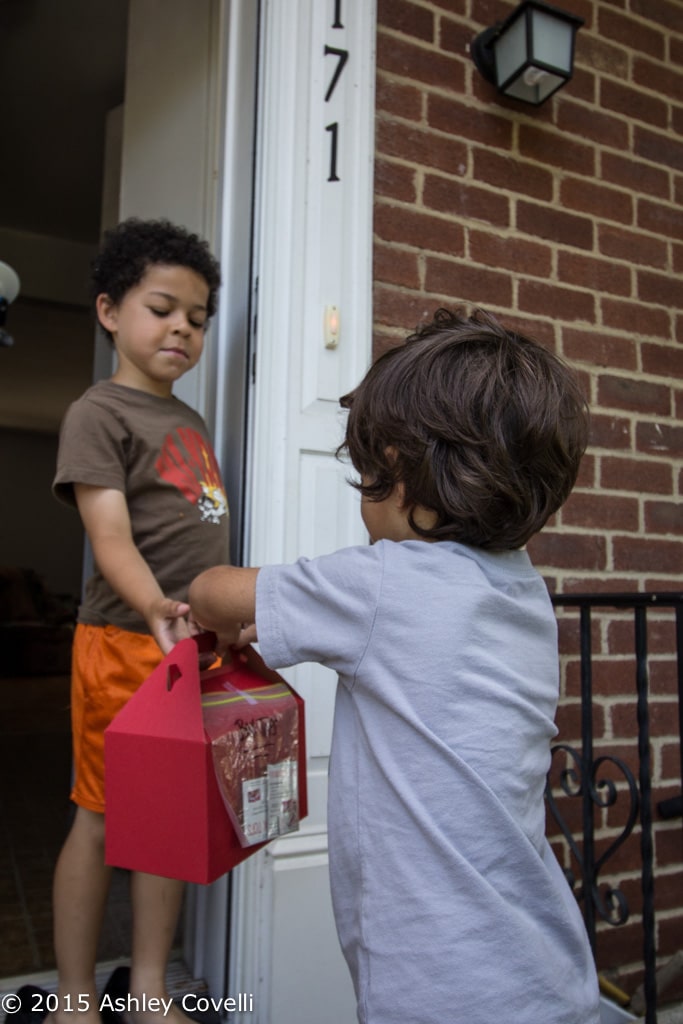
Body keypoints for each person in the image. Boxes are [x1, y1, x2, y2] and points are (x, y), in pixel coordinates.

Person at [188, 308, 601, 1024]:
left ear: (399, 469)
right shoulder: (519, 588)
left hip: (437, 978)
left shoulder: (385, 582)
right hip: (540, 968)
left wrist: (217, 612)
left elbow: (211, 592)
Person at [50, 218, 229, 1024]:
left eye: (197, 317)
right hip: (122, 642)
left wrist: (222, 618)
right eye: (162, 308)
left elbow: (204, 543)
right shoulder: (99, 413)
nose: (182, 328)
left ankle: (152, 992)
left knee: (164, 821)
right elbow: (111, 535)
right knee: (99, 817)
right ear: (109, 311)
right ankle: (75, 999)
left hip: (187, 651)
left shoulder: (191, 425)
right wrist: (155, 599)